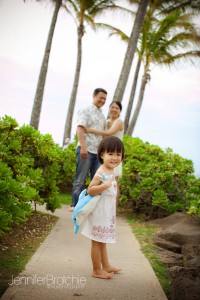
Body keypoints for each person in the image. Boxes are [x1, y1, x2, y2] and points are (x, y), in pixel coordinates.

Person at [81, 136, 124, 279]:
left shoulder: (111, 171)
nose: (115, 158)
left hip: (107, 213)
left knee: (103, 241)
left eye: (118, 154)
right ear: (102, 155)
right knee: (97, 242)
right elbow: (90, 190)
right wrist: (104, 185)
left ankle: (106, 266)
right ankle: (96, 270)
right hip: (99, 213)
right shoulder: (101, 172)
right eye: (111, 154)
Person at [69, 88, 107, 212]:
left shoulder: (102, 115)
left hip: (97, 153)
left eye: (105, 99)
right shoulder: (85, 110)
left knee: (95, 181)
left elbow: (102, 135)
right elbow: (80, 129)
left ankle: (90, 206)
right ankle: (74, 205)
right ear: (94, 96)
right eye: (100, 97)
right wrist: (83, 147)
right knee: (80, 179)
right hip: (85, 150)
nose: (102, 100)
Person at [84, 101, 124, 211]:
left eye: (117, 108)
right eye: (112, 107)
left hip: (115, 156)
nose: (114, 109)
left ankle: (114, 209)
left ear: (120, 111)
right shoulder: (105, 122)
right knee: (102, 179)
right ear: (109, 108)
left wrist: (89, 130)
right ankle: (101, 206)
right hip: (107, 156)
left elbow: (108, 134)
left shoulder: (119, 122)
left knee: (114, 182)